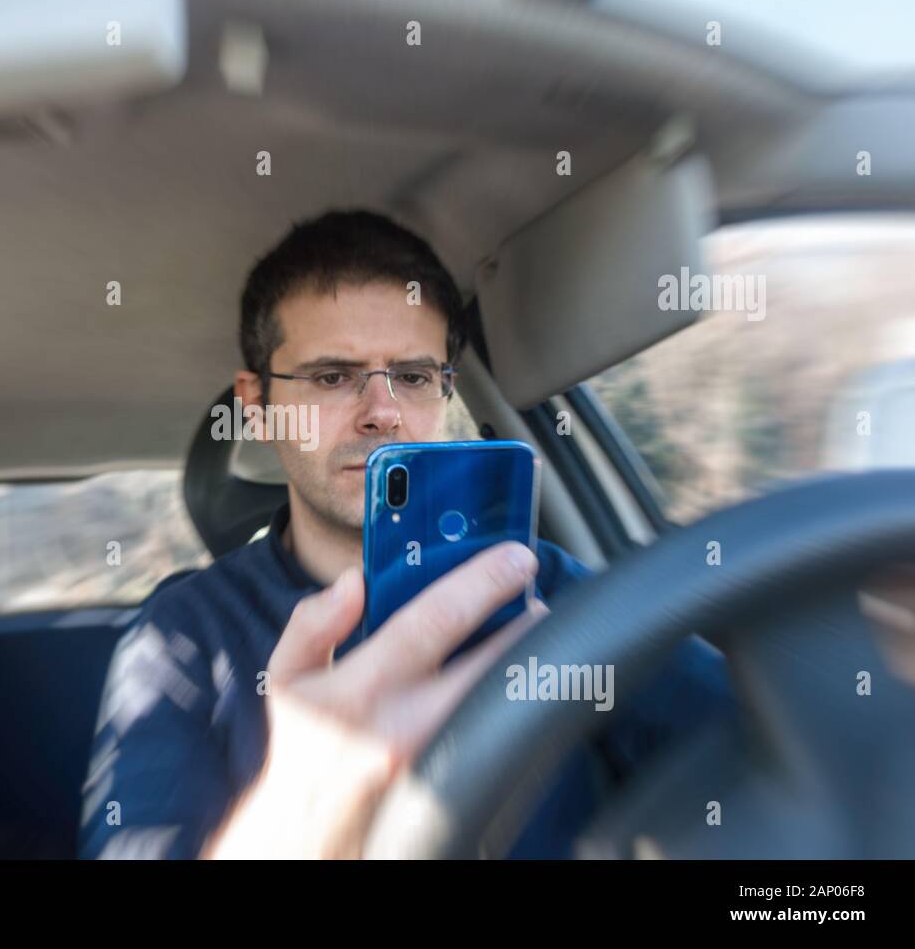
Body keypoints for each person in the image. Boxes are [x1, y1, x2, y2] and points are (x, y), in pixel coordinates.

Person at [79, 210, 727, 859]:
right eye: (332, 376)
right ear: (257, 407)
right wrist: (299, 818)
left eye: (413, 377)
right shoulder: (183, 635)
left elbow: (750, 744)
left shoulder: (538, 581)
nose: (383, 413)